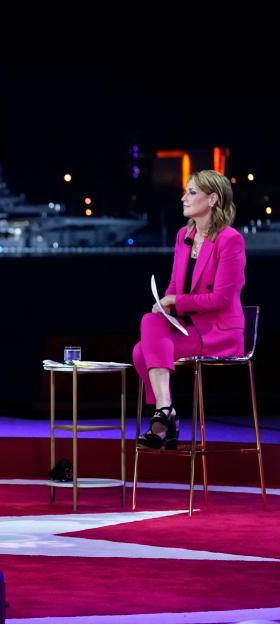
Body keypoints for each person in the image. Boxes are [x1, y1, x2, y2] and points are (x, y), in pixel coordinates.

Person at [132, 169, 246, 448]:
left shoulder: (230, 240)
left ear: (212, 199)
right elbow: (175, 284)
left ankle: (165, 418)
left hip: (219, 332)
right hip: (188, 326)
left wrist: (176, 302)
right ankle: (165, 409)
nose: (183, 198)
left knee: (141, 351)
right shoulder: (184, 234)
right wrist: (165, 303)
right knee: (150, 320)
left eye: (192, 192)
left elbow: (220, 298)